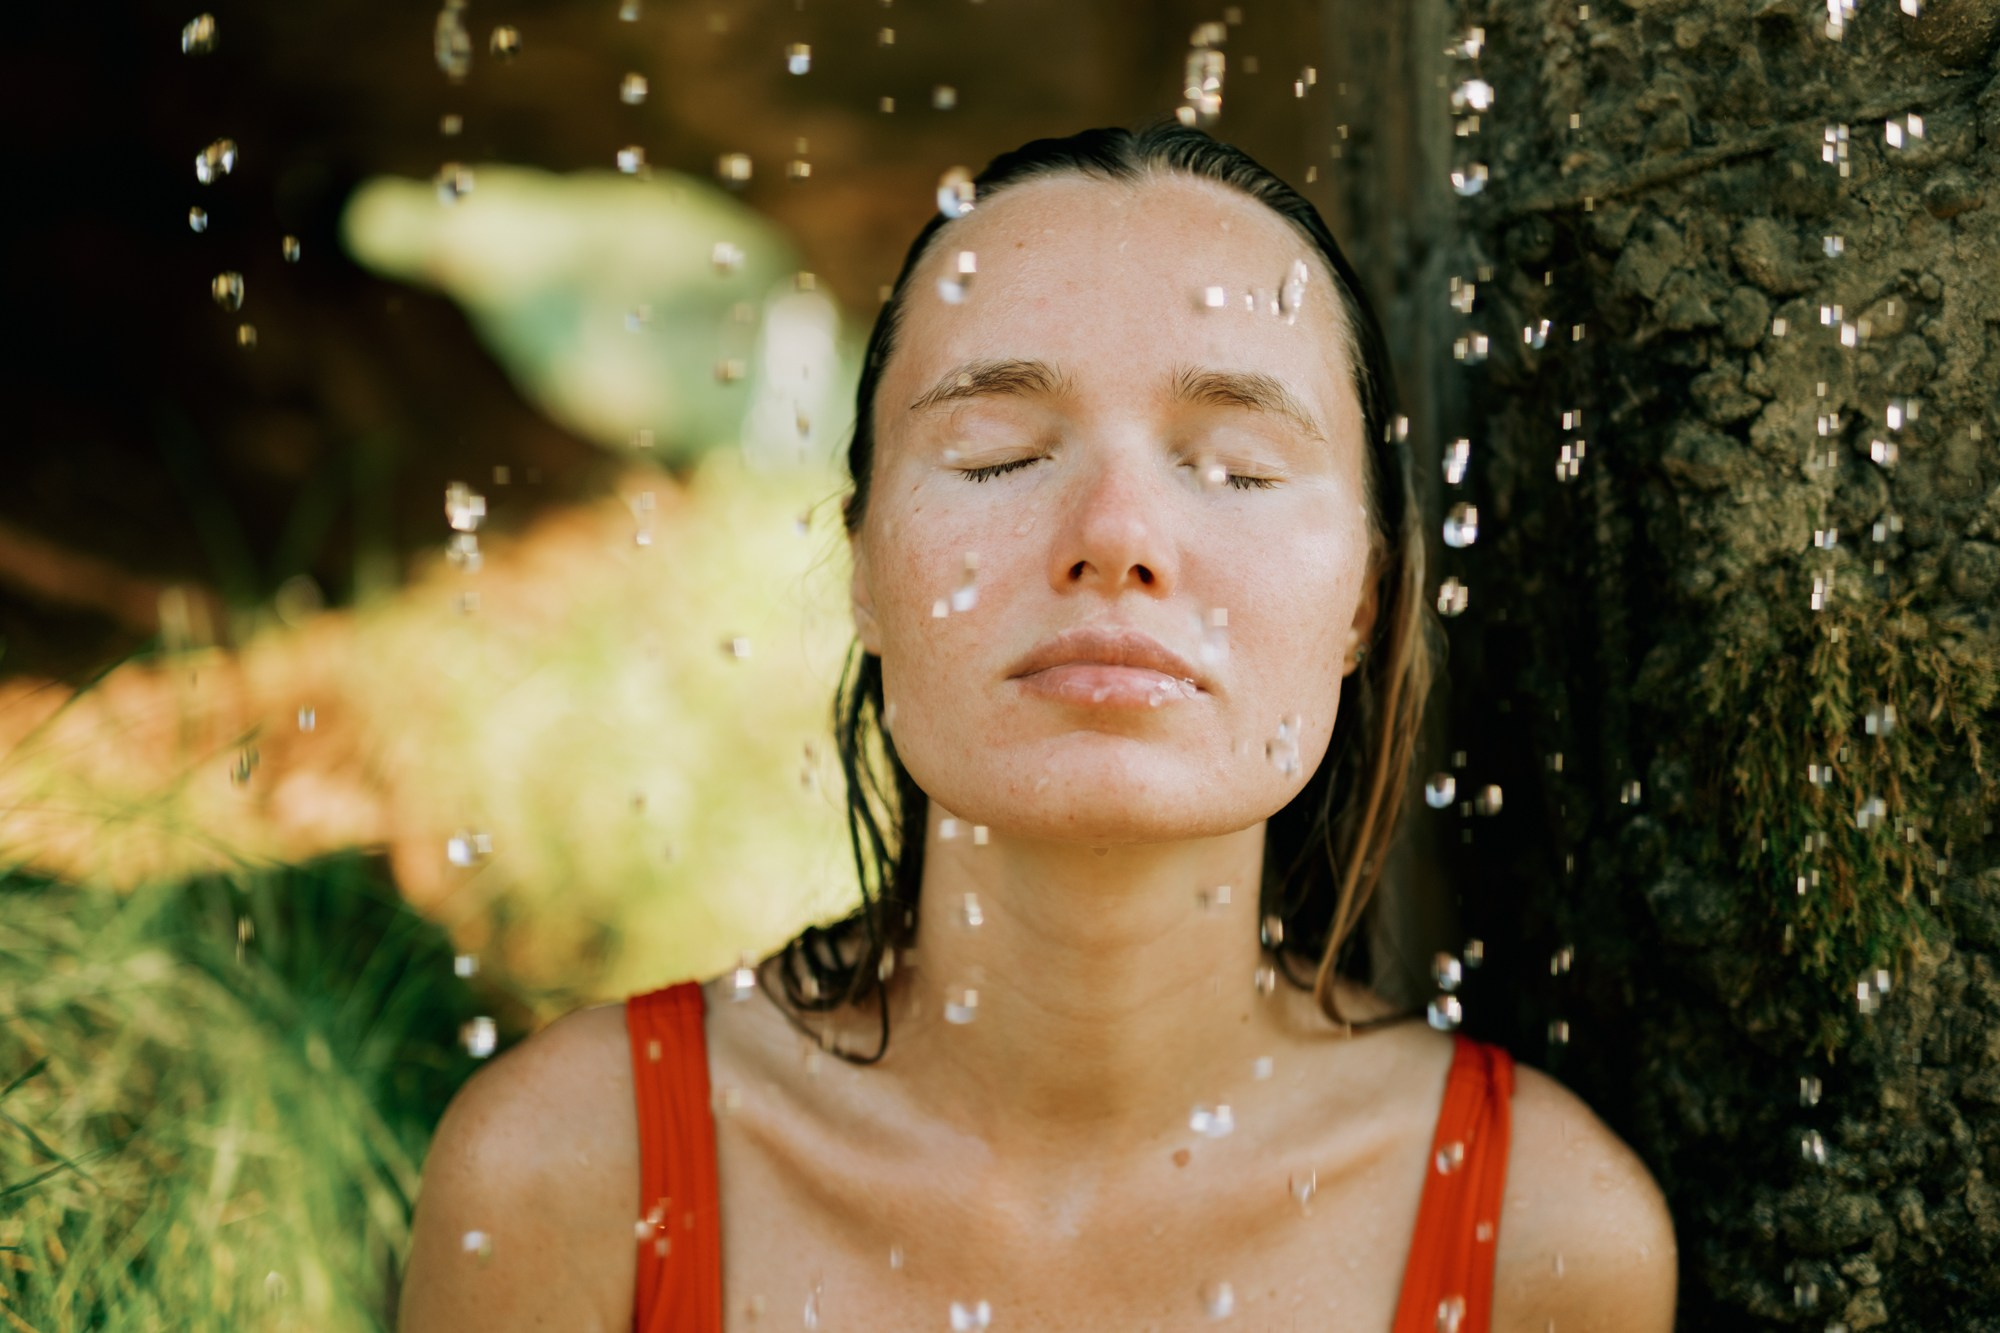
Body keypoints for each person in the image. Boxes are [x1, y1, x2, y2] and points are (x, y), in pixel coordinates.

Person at [396, 121, 1678, 1332]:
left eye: (1234, 468)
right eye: (999, 454)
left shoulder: (1541, 1241)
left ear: (1364, 598)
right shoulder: (574, 1179)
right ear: (862, 568)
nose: (1115, 537)